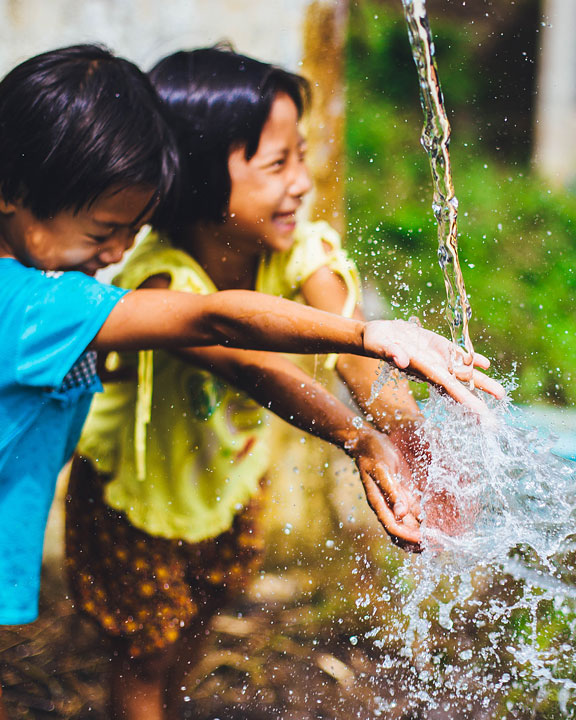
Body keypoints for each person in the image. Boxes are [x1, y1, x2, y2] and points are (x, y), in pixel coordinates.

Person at [64, 46, 504, 720]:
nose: (301, 181)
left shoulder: (297, 250)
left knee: (203, 615)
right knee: (143, 654)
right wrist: (356, 439)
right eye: (277, 164)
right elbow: (250, 362)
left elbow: (357, 349)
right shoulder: (160, 276)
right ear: (198, 179)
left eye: (302, 154)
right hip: (135, 496)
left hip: (232, 479)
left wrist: (412, 441)